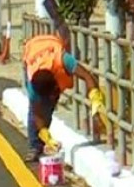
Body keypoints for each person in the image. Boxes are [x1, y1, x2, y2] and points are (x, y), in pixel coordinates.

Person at [21, 33, 105, 162]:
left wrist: (95, 109)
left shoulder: (63, 60)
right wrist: (48, 138)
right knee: (38, 110)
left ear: (56, 84)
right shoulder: (33, 84)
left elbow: (88, 77)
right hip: (31, 50)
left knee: (48, 108)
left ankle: (40, 143)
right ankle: (35, 146)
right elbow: (37, 113)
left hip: (51, 44)